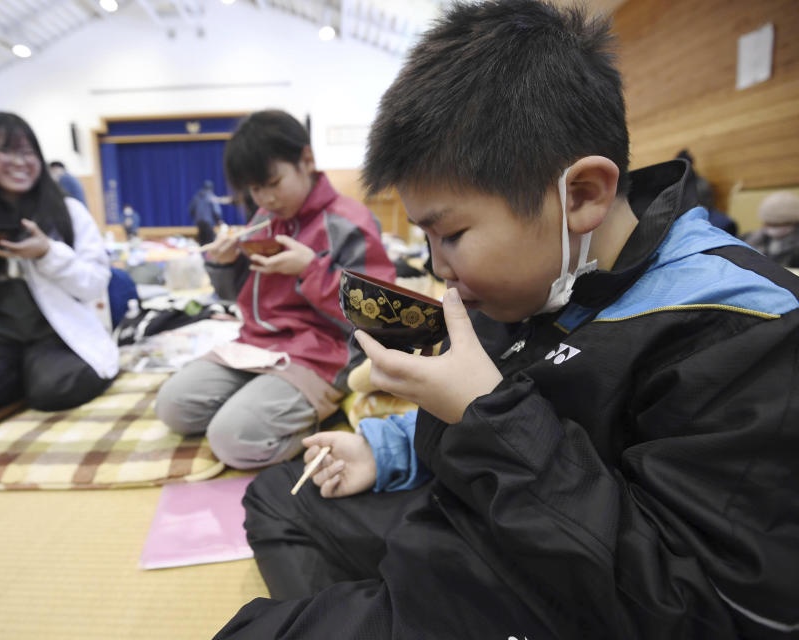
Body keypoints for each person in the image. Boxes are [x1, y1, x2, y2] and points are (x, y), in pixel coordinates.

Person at [215, 3, 799, 639]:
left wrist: (482, 414)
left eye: (453, 234)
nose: (439, 268)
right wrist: (384, 450)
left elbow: (708, 610)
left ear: (581, 195)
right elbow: (507, 406)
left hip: (570, 588)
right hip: (491, 515)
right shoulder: (541, 279)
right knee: (280, 496)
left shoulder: (744, 327)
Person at [155, 110, 395, 469]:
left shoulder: (349, 221)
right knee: (172, 405)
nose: (265, 198)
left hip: (323, 353)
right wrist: (223, 264)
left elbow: (382, 314)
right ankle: (265, 403)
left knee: (233, 439)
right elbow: (239, 296)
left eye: (273, 182)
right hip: (259, 347)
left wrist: (310, 270)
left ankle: (308, 415)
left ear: (307, 160)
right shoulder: (263, 221)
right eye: (254, 189)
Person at [0, 112, 117, 413]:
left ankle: (31, 374)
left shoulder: (68, 212)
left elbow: (94, 284)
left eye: (27, 152)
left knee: (57, 389)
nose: (19, 162)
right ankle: (22, 372)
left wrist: (48, 253)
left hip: (54, 329)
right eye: (5, 150)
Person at [742, 190, 799, 269]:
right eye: (769, 223)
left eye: (778, 224)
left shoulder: (796, 249)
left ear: (794, 222)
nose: (772, 228)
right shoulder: (750, 239)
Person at [187, 179, 223, 245]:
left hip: (199, 222)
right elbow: (216, 210)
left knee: (202, 240)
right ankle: (209, 255)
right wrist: (218, 219)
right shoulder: (211, 197)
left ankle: (202, 254)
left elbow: (191, 209)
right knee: (210, 241)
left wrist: (196, 217)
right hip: (208, 222)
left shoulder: (196, 197)